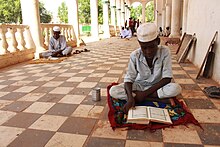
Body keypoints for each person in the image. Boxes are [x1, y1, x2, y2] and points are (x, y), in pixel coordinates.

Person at [109, 23, 182, 113]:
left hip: (157, 87)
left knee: (176, 88)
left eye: (152, 47)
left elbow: (167, 78)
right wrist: (130, 98)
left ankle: (141, 98)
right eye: (144, 48)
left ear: (158, 42)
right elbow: (129, 79)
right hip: (140, 86)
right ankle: (157, 99)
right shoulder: (135, 55)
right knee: (114, 91)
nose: (148, 51)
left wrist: (142, 94)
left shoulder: (165, 51)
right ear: (139, 44)